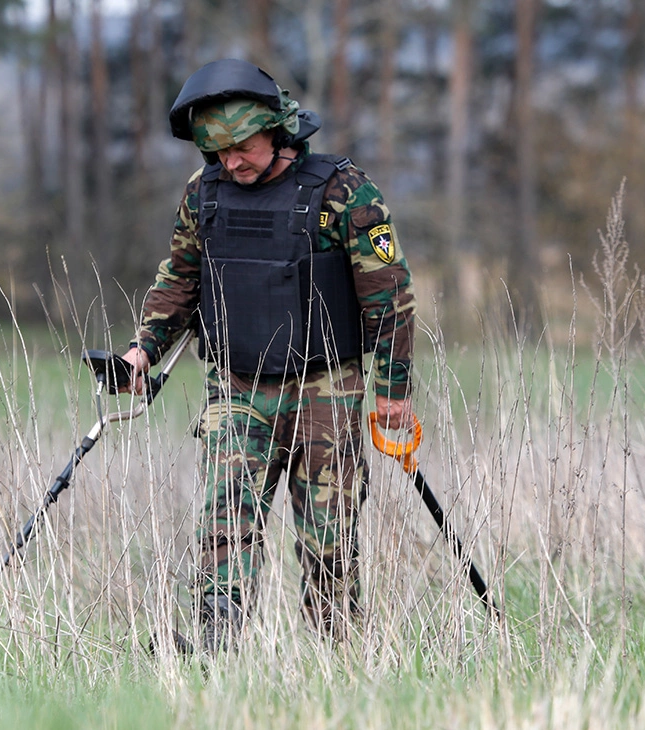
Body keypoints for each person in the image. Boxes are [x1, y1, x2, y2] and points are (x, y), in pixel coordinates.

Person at [120, 59, 416, 651]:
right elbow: (179, 279)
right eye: (217, 152)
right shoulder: (203, 195)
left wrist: (392, 393)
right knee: (223, 528)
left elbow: (390, 298)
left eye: (241, 148)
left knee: (329, 538)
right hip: (236, 388)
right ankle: (214, 655)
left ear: (277, 130)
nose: (231, 162)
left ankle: (338, 656)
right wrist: (141, 351)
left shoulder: (342, 190)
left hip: (326, 388)